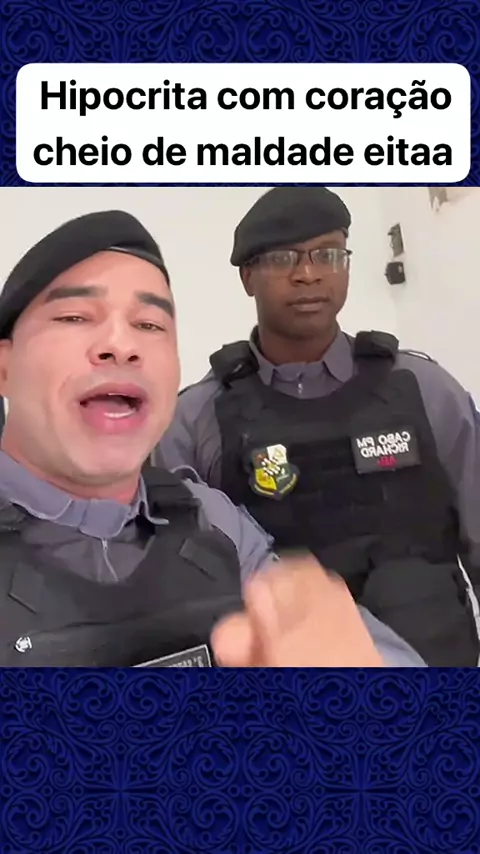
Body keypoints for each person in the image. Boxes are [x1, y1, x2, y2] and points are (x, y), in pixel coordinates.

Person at [0, 209, 423, 668]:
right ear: (4, 368)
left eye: (149, 325)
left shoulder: (212, 519)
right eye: (75, 316)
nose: (122, 345)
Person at [158, 186, 480, 668]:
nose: (308, 274)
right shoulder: (196, 420)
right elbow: (175, 596)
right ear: (247, 277)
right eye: (283, 258)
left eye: (327, 255)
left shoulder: (426, 390)